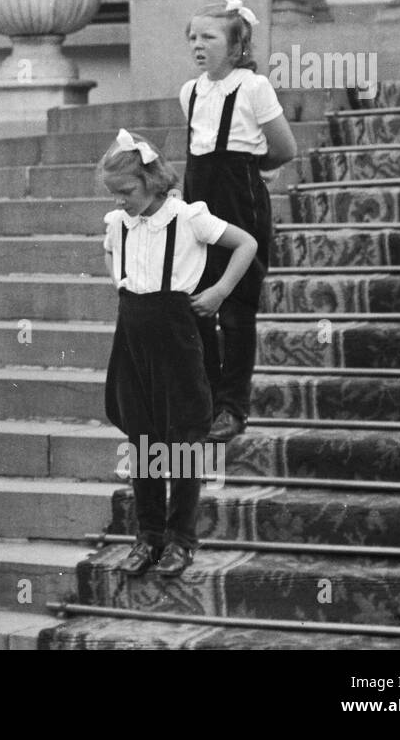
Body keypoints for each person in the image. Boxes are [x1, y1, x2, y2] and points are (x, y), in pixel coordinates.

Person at [101, 129, 256, 578]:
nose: (120, 202)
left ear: (151, 181)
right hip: (132, 337)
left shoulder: (189, 217)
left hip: (178, 337)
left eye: (126, 192)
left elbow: (246, 244)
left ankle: (181, 539)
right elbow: (110, 253)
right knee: (144, 439)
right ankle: (147, 535)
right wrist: (121, 282)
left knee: (183, 441)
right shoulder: (119, 224)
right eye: (114, 194)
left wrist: (220, 291)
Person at [182, 0, 298, 443]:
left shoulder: (253, 87)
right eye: (192, 36)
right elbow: (197, 153)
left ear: (235, 47)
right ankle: (208, 400)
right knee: (197, 306)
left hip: (241, 203)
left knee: (235, 310)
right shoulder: (190, 91)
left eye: (208, 36)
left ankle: (234, 407)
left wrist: (250, 173)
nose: (197, 44)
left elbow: (284, 148)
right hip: (199, 206)